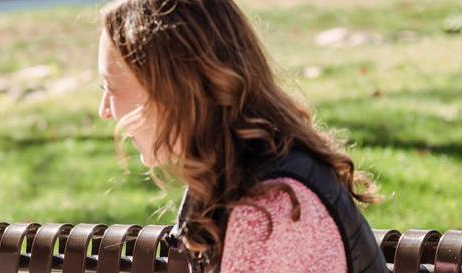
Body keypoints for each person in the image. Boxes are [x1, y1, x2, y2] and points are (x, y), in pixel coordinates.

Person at [97, 1, 386, 272]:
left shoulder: (272, 210)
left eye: (111, 86)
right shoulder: (242, 179)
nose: (104, 111)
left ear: (172, 89)